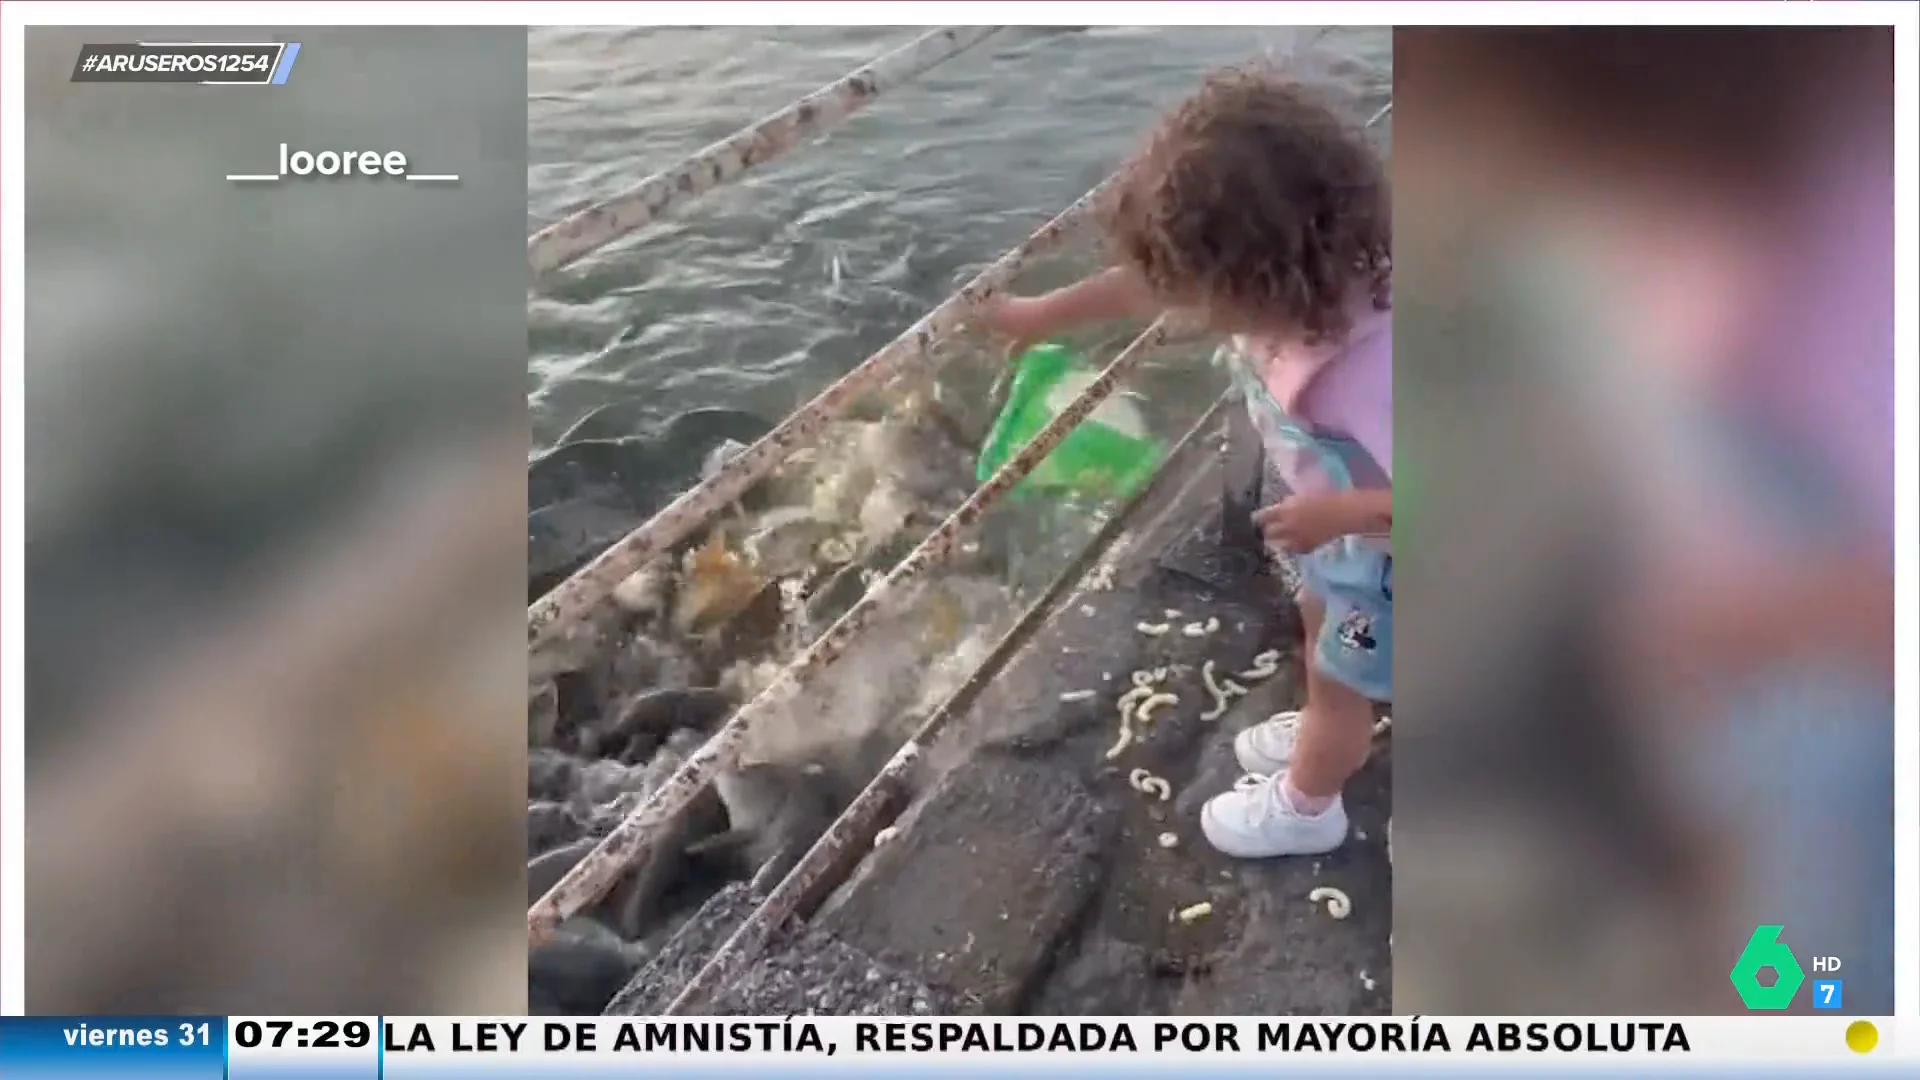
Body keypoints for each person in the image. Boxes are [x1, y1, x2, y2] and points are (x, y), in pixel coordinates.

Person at [987, 68, 1392, 858]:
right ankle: (1325, 716)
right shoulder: (1311, 274)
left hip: (1390, 551)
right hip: (1347, 538)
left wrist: (1338, 516)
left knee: (1345, 684)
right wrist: (1040, 316)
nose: (1189, 306)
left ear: (1247, 277)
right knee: (1321, 637)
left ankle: (1311, 806)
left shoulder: (1367, 368)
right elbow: (1151, 285)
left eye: (1199, 290)